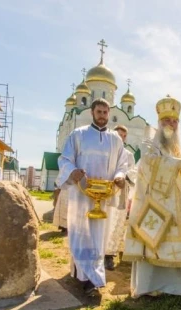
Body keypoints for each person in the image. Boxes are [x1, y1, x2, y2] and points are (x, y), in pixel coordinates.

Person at [122, 95, 181, 299]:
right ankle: (150, 286)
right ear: (159, 122)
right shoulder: (150, 143)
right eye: (167, 121)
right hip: (158, 206)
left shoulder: (176, 149)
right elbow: (149, 164)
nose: (171, 125)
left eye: (175, 121)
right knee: (157, 244)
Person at [55, 98, 129, 296]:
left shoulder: (115, 139)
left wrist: (120, 177)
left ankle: (93, 278)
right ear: (92, 112)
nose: (103, 116)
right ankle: (82, 273)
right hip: (82, 195)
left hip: (103, 197)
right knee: (81, 233)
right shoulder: (78, 135)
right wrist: (73, 171)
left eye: (106, 112)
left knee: (98, 235)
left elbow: (122, 164)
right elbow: (65, 159)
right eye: (99, 112)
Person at [105, 125, 137, 270]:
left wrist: (124, 176)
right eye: (119, 135)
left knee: (116, 224)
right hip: (105, 192)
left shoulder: (128, 154)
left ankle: (109, 255)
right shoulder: (105, 151)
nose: (122, 138)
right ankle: (98, 253)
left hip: (120, 193)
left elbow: (133, 171)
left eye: (124, 136)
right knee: (103, 223)